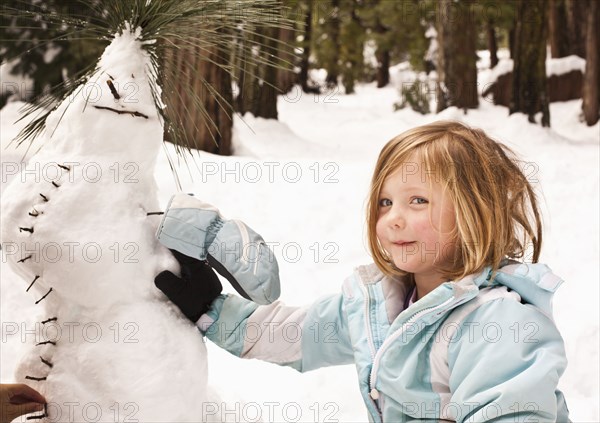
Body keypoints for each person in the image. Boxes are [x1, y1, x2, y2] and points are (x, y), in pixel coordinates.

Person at [155, 120, 570, 422]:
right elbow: (298, 334)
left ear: (475, 212)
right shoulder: (381, 306)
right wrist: (212, 308)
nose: (393, 218)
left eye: (418, 201)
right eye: (386, 203)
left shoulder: (499, 324)